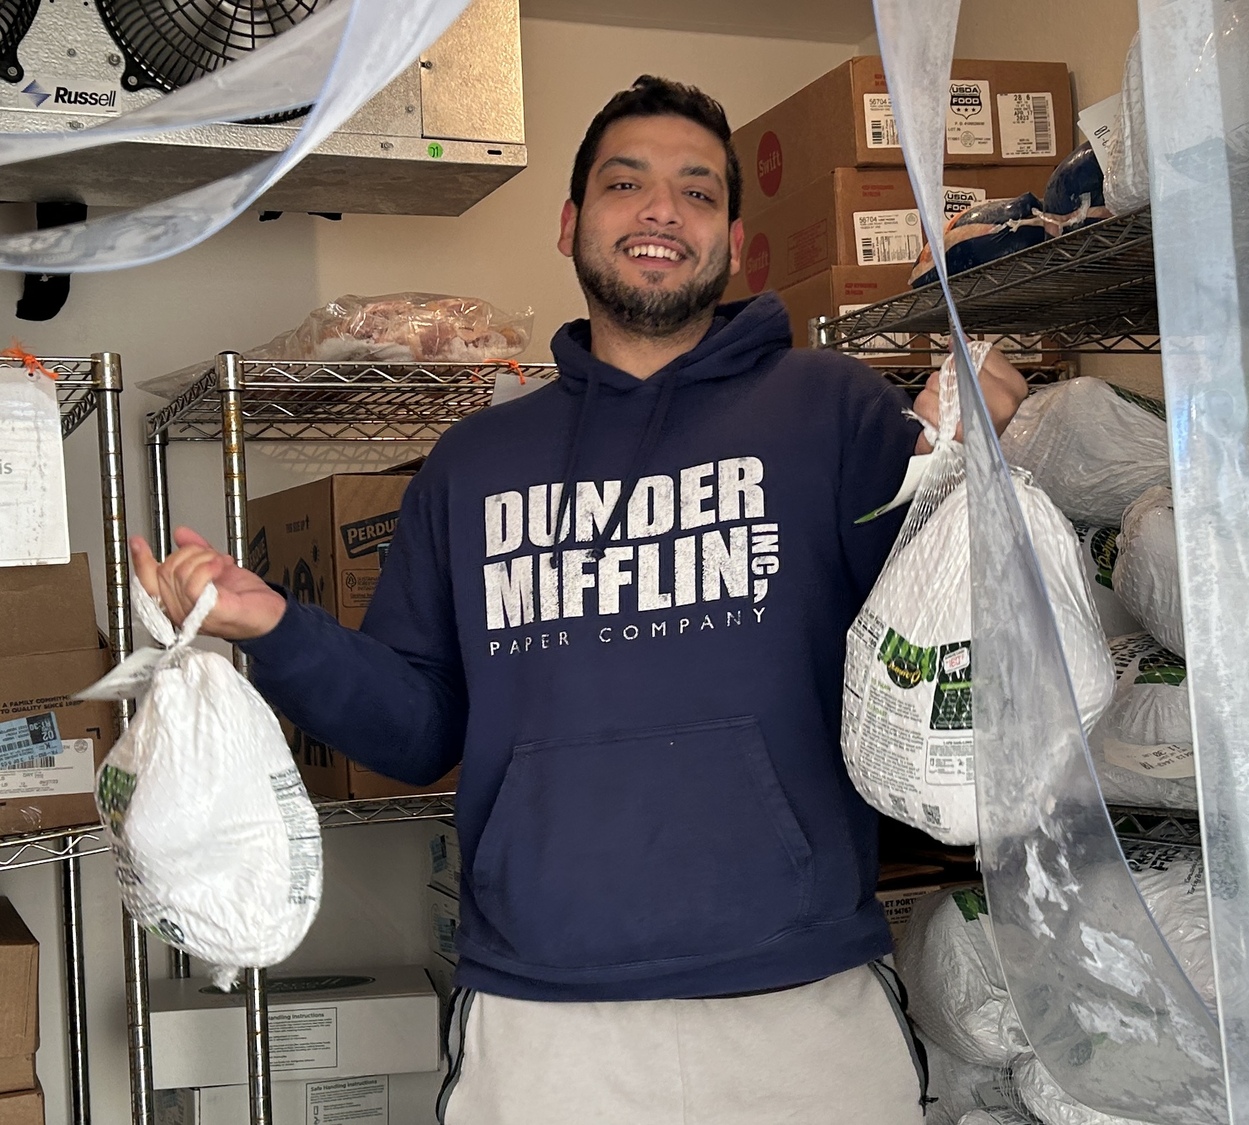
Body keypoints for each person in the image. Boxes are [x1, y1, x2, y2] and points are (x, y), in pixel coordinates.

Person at [132, 76, 1027, 1125]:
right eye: (625, 183)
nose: (660, 210)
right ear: (570, 225)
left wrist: (972, 458)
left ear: (733, 241)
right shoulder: (472, 465)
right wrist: (273, 626)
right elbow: (416, 731)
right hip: (542, 1019)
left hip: (801, 999)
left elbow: (929, 652)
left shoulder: (827, 410)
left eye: (696, 192)